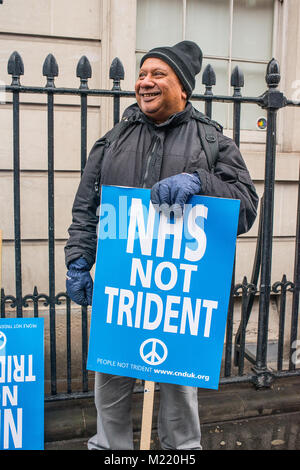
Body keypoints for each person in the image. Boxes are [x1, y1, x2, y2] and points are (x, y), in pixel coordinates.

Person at [64, 41, 258, 450]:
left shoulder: (211, 141)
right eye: (142, 74)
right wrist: (79, 259)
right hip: (125, 292)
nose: (145, 82)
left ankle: (181, 453)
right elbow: (87, 207)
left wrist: (200, 183)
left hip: (177, 297)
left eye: (158, 74)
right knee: (110, 388)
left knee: (178, 396)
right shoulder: (114, 139)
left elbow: (246, 207)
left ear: (183, 89)